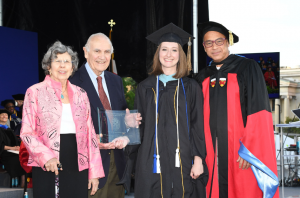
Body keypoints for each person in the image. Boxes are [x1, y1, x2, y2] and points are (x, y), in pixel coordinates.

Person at [119, 23, 208, 198]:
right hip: (151, 158)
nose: (169, 55)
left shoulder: (191, 87)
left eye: (174, 50)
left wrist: (198, 158)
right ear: (157, 53)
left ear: (180, 55)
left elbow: (198, 125)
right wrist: (128, 125)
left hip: (183, 157)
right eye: (164, 49)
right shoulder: (145, 87)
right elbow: (139, 126)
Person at [195, 21, 279, 198]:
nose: (214, 47)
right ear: (203, 47)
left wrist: (250, 150)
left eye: (219, 41)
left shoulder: (247, 68)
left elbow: (259, 111)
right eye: (208, 43)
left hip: (240, 150)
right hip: (211, 152)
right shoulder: (202, 76)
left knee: (244, 190)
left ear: (227, 42)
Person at [20, 41, 104, 198]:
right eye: (57, 61)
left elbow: (90, 135)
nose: (62, 65)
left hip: (78, 161)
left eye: (67, 61)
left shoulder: (81, 94)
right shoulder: (35, 92)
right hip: (48, 161)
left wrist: (94, 172)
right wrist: (47, 157)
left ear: (72, 67)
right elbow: (27, 132)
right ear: (48, 67)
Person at [69, 33, 141, 198]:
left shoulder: (115, 81)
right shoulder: (71, 82)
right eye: (97, 51)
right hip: (88, 166)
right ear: (86, 52)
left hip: (116, 163)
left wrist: (128, 122)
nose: (102, 57)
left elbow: (119, 117)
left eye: (107, 52)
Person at [0, 109, 25, 186]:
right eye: (2, 115)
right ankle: (22, 181)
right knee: (16, 159)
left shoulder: (9, 129)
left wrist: (17, 147)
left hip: (12, 151)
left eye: (6, 115)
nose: (5, 116)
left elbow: (16, 142)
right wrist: (12, 148)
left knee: (23, 157)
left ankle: (24, 181)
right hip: (3, 153)